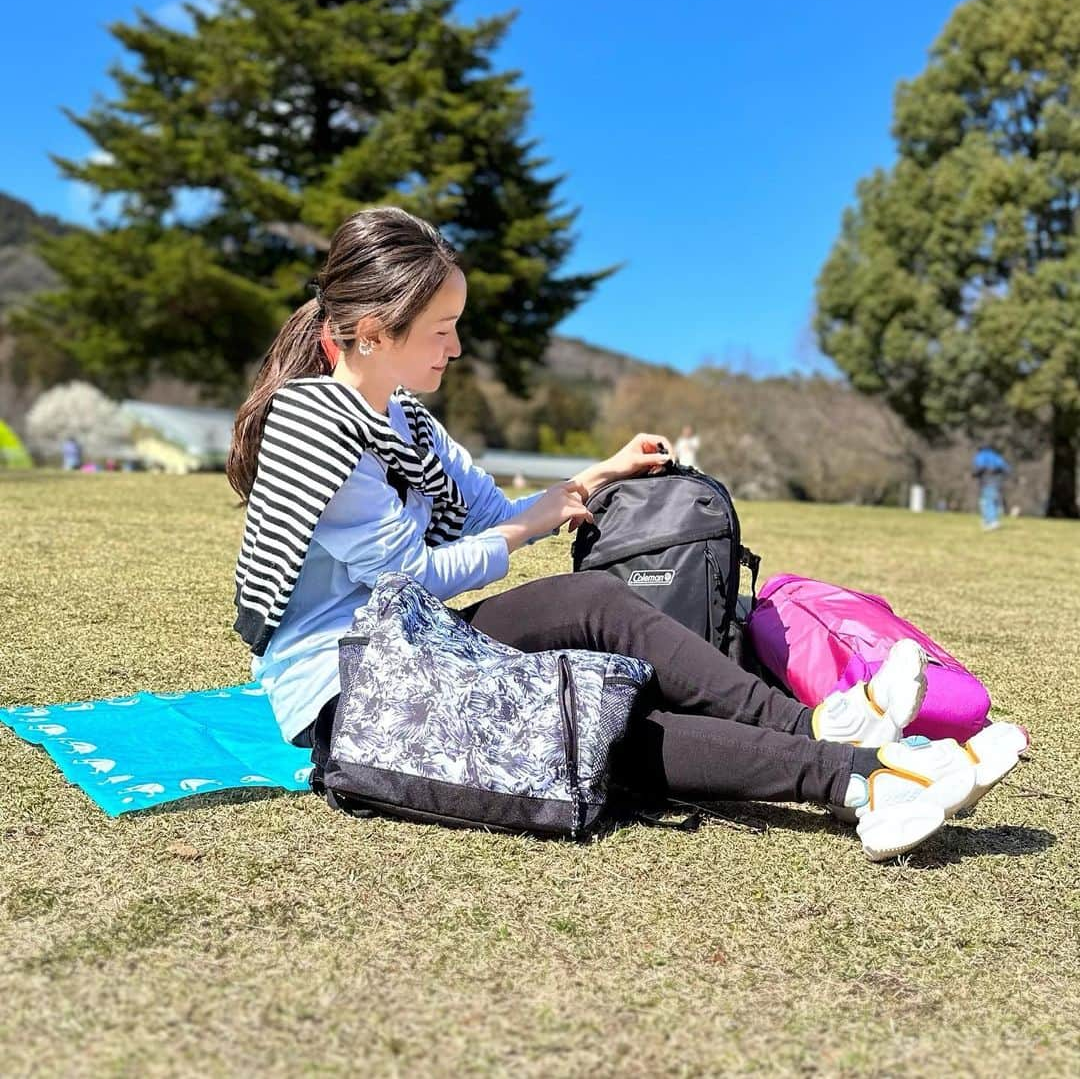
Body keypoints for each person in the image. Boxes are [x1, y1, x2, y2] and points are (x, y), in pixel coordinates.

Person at [228, 208, 1026, 862]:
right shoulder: (315, 431)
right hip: (349, 688)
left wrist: (600, 475)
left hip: (413, 640)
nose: (457, 346)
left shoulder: (404, 421)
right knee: (579, 722)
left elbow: (480, 508)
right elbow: (408, 576)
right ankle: (863, 781)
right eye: (441, 328)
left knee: (593, 600)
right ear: (373, 331)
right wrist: (529, 528)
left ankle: (820, 727)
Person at [972, 447, 1010, 531]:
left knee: (987, 501)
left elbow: (979, 468)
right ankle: (989, 520)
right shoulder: (996, 456)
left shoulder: (981, 456)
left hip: (987, 482)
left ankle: (992, 521)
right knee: (994, 501)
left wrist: (974, 474)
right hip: (998, 482)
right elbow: (1006, 469)